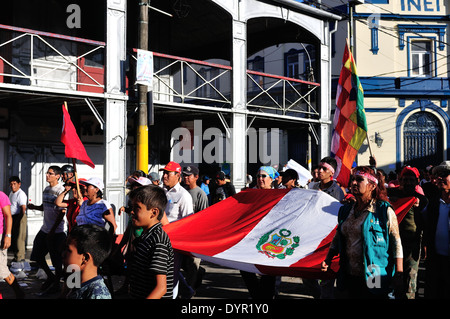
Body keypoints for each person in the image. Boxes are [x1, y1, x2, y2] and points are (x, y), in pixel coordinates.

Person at [321, 166, 403, 299]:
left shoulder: (383, 211)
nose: (353, 183)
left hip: (375, 273)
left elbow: (396, 242)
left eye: (359, 180)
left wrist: (399, 273)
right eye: (353, 179)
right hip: (349, 273)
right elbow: (338, 237)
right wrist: (328, 258)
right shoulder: (346, 210)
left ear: (371, 186)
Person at [387, 165, 428, 299]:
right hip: (390, 245)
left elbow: (425, 221)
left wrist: (417, 204)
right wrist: (388, 200)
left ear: (417, 181)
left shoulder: (421, 199)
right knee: (391, 279)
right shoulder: (390, 194)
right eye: (405, 179)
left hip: (412, 245)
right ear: (400, 180)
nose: (408, 182)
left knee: (410, 279)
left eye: (411, 180)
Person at [127, 185, 174, 299]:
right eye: (132, 207)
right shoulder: (146, 235)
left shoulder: (158, 240)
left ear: (153, 213)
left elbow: (161, 288)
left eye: (137, 207)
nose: (132, 211)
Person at [240, 166, 279, 299]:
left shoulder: (280, 196)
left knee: (268, 274)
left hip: (270, 240)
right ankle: (257, 297)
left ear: (271, 179)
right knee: (245, 268)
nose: (260, 179)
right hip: (251, 238)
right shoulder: (250, 193)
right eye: (258, 176)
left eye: (264, 176)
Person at [28, 165, 66, 294]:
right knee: (37, 255)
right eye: (47, 173)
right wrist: (35, 207)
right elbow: (45, 207)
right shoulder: (46, 189)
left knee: (57, 260)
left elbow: (62, 213)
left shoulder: (61, 190)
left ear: (58, 176)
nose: (47, 175)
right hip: (45, 229)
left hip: (56, 232)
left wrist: (52, 230)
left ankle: (57, 285)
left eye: (50, 173)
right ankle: (50, 277)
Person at [160, 161, 193, 298]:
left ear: (177, 176)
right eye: (164, 173)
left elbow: (187, 222)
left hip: (173, 243)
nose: (165, 176)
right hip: (158, 239)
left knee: (171, 277)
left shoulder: (184, 196)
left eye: (168, 173)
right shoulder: (160, 191)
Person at [423, 161, 450, 298]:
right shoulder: (433, 203)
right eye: (437, 175)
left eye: (444, 174)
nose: (439, 178)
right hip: (436, 261)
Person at [64, 224, 112, 299]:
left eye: (68, 250)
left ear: (85, 258)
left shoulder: (98, 295)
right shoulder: (74, 278)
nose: (63, 254)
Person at [182, 165, 208, 293]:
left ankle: (190, 291)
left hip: (194, 235)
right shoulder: (183, 191)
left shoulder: (200, 194)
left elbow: (203, 217)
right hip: (183, 235)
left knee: (193, 264)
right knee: (184, 263)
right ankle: (200, 273)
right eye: (184, 175)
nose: (186, 178)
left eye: (189, 175)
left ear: (196, 177)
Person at [0, 191, 25, 298]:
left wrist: (8, 236)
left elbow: (8, 216)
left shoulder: (1, 195)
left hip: (0, 235)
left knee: (1, 270)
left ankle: (19, 292)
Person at [8, 176, 28, 262]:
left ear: (19, 184)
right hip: (13, 217)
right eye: (11, 184)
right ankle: (16, 256)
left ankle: (20, 258)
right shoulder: (12, 193)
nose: (13, 186)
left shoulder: (21, 194)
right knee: (15, 237)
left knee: (20, 238)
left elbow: (23, 208)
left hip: (20, 217)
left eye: (15, 184)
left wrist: (18, 220)